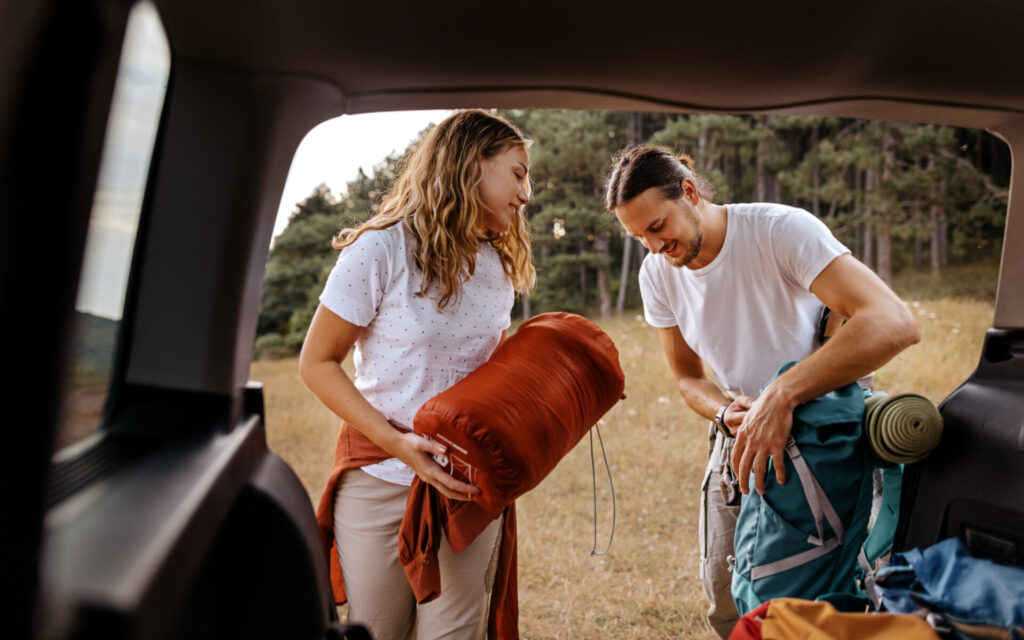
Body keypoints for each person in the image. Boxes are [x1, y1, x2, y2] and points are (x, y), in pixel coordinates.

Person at [604, 145, 920, 638]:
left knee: (835, 595)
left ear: (689, 191)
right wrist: (725, 410)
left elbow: (893, 323)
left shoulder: (779, 230)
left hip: (825, 434)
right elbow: (687, 378)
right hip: (740, 436)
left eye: (659, 226)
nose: (653, 247)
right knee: (729, 595)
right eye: (639, 236)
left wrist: (782, 395)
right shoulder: (656, 274)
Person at [300, 109, 534, 640]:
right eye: (518, 173)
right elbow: (316, 363)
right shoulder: (379, 249)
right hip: (378, 477)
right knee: (378, 632)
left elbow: (485, 384)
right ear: (473, 162)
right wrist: (400, 444)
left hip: (465, 487)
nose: (527, 194)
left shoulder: (497, 269)